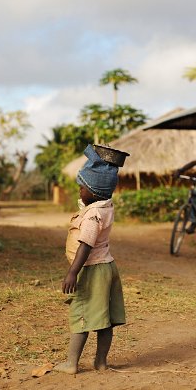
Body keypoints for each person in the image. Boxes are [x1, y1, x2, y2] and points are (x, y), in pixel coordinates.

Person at [54, 144, 126, 375]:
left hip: (92, 271)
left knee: (81, 315)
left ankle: (71, 364)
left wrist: (73, 272)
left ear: (93, 192)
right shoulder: (105, 207)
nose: (79, 192)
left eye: (81, 188)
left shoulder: (93, 215)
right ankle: (101, 362)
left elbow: (85, 245)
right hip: (107, 267)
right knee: (105, 319)